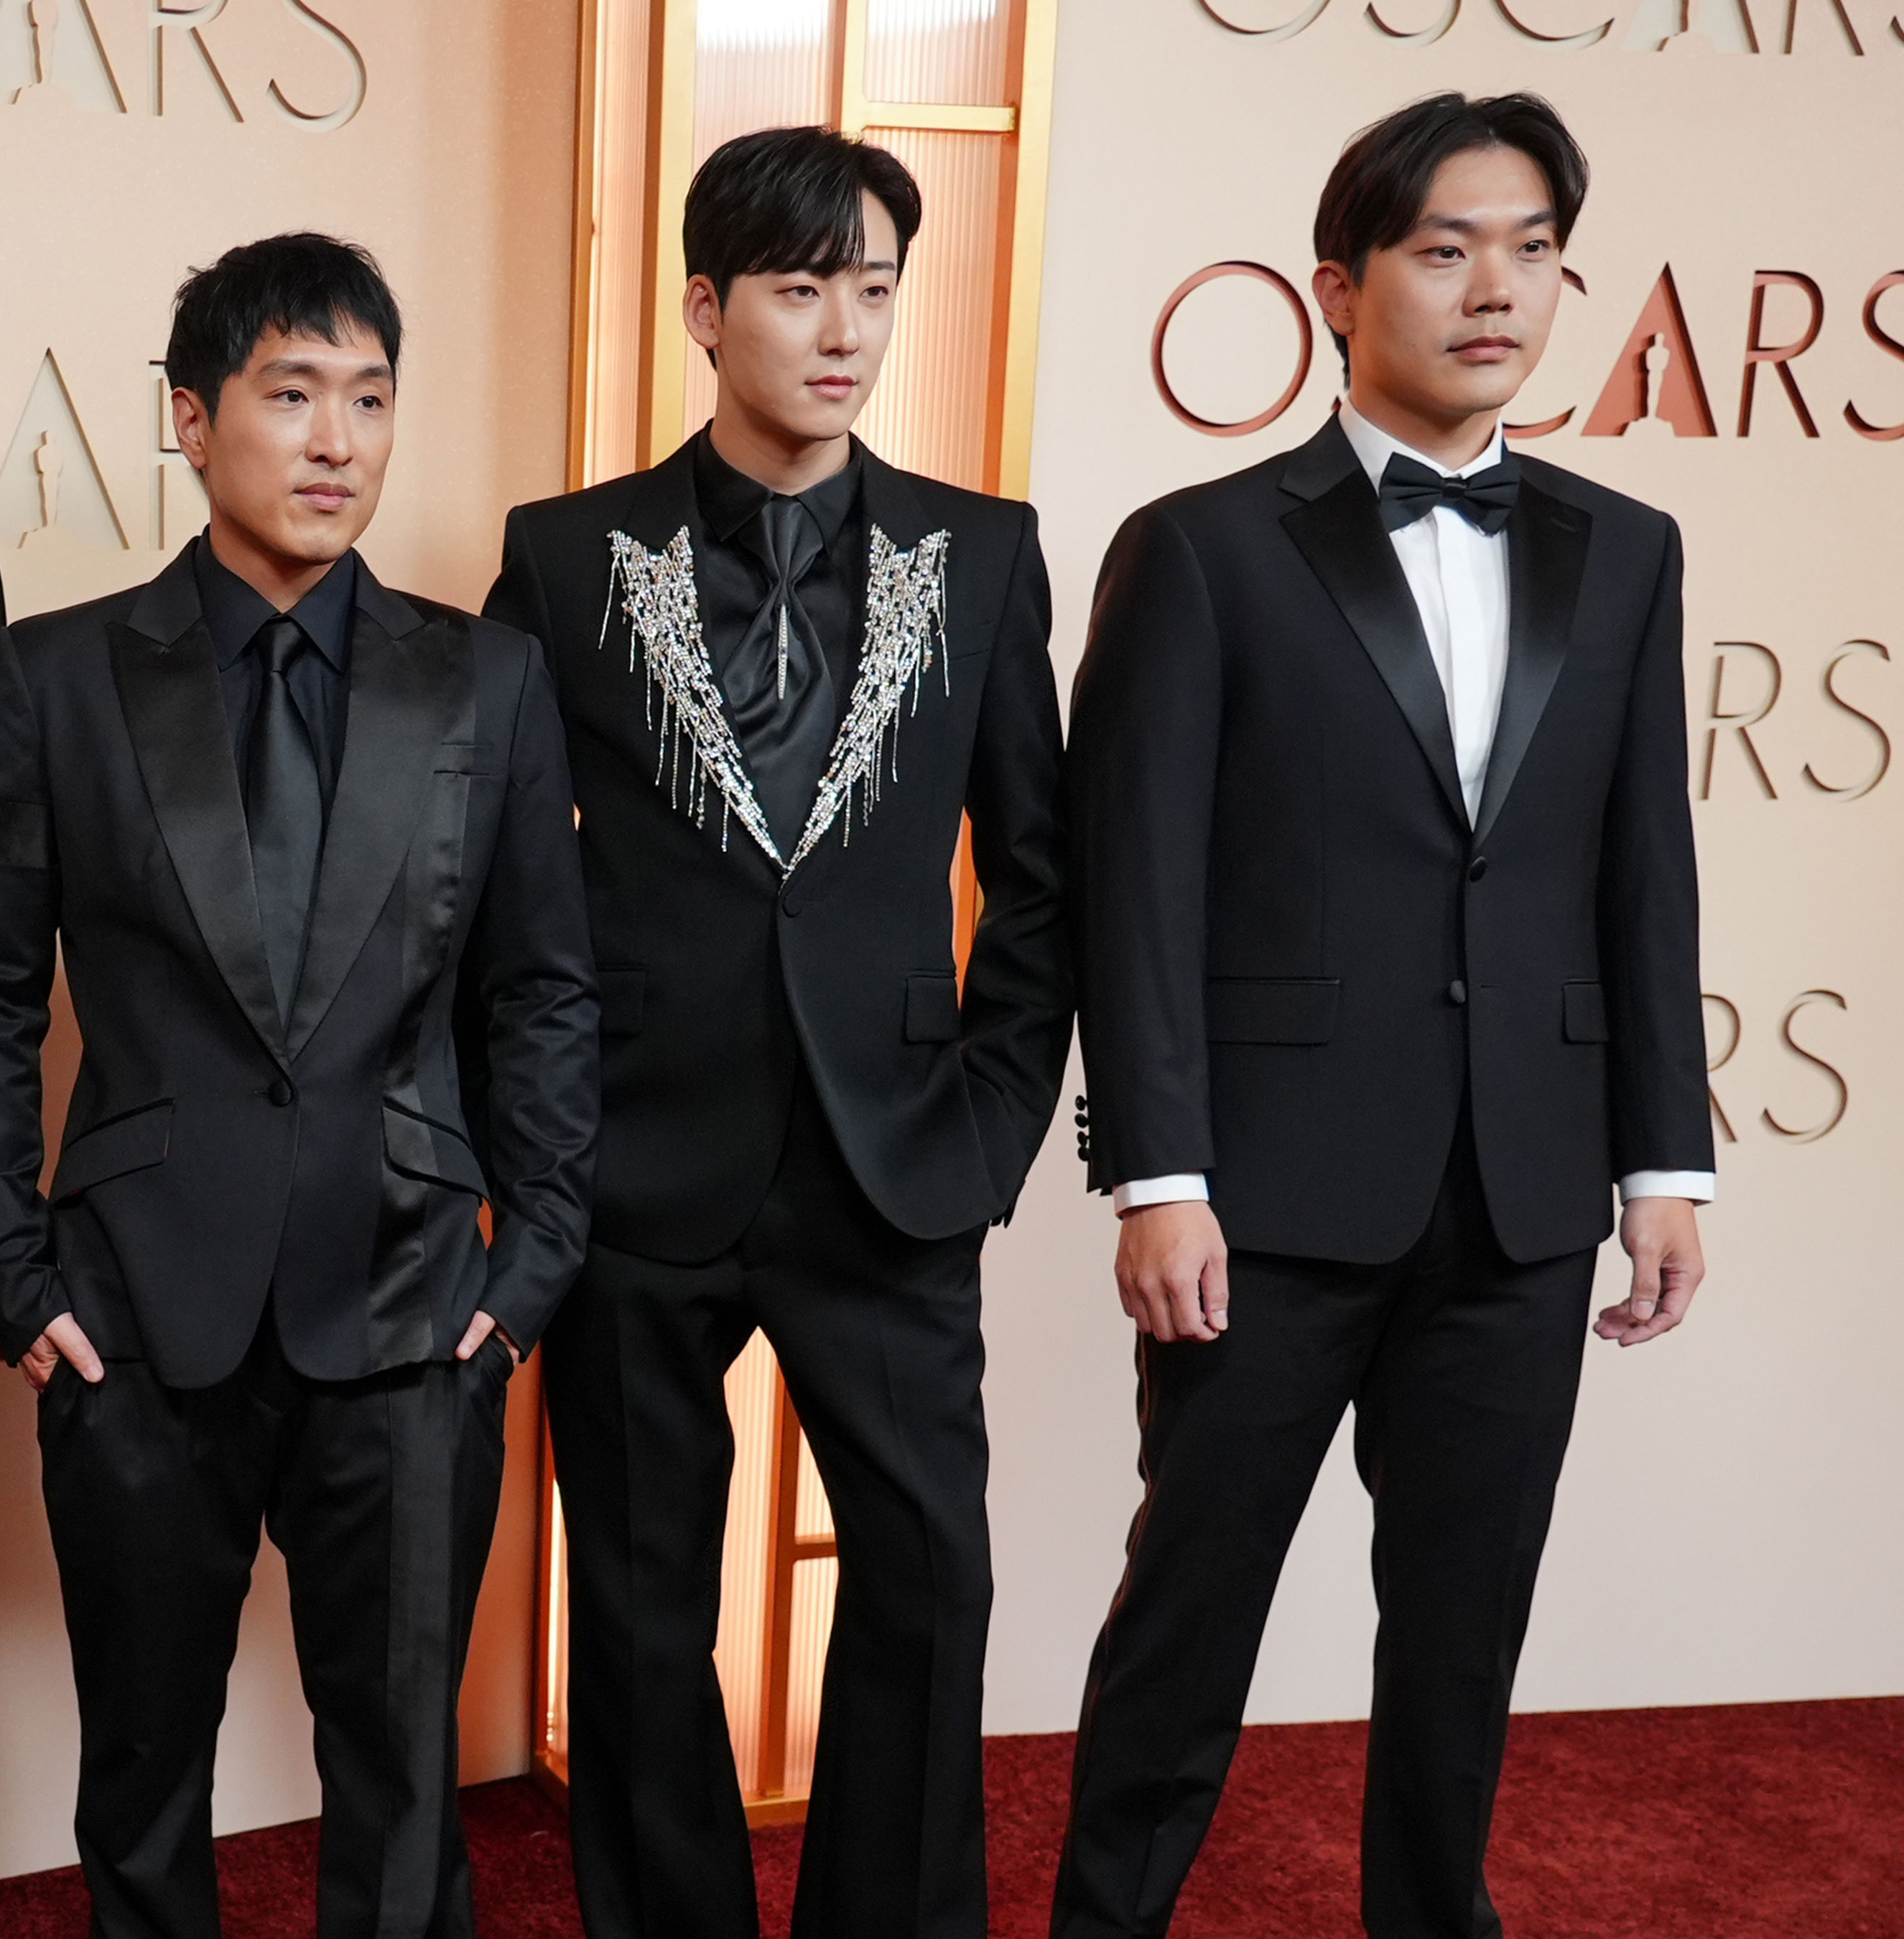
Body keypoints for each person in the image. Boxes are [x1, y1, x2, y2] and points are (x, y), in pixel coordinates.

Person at [1055, 93, 1714, 1939]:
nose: (1493, 287)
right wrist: (1156, 1174)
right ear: (1342, 288)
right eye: (1443, 248)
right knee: (1188, 1621)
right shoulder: (1201, 546)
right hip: (1263, 1199)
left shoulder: (1627, 547)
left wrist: (1667, 1155)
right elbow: (1138, 885)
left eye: (1529, 249)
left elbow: (1638, 868)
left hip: (1525, 1185)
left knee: (1464, 1631)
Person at [0, 234, 596, 1939]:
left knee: (405, 1777)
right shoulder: (59, 674)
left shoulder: (489, 678)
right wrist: (13, 1269)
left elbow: (540, 991)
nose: (338, 441)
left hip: (413, 1305)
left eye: (371, 400)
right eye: (291, 394)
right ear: (190, 418)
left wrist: (525, 1274)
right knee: (143, 1772)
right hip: (136, 1314)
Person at [483, 127, 1067, 1939]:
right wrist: (544, 1154)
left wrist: (980, 1134)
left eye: (875, 287)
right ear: (703, 308)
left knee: (929, 1584)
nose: (845, 328)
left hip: (897, 1166)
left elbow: (1043, 883)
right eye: (803, 287)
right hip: (640, 1166)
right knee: (643, 1605)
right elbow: (503, 893)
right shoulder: (569, 559)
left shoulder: (981, 556)